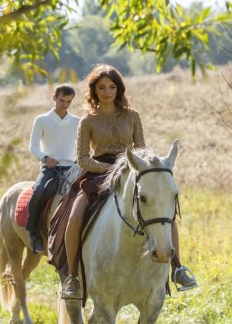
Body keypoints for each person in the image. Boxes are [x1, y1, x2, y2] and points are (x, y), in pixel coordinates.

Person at [59, 64, 197, 300]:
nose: (107, 91)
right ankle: (73, 277)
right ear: (94, 90)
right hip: (99, 172)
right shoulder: (87, 121)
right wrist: (112, 169)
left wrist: (138, 167)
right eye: (101, 87)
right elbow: (82, 159)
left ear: (119, 88)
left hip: (133, 169)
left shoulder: (132, 116)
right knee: (74, 215)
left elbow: (141, 149)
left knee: (164, 211)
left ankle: (177, 268)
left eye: (112, 86)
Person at [27, 84, 80, 254]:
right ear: (54, 98)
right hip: (50, 167)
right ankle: (33, 234)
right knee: (39, 191)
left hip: (72, 168)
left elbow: (82, 147)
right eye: (62, 100)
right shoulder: (42, 120)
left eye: (68, 102)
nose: (64, 105)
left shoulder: (77, 122)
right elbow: (33, 146)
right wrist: (45, 157)